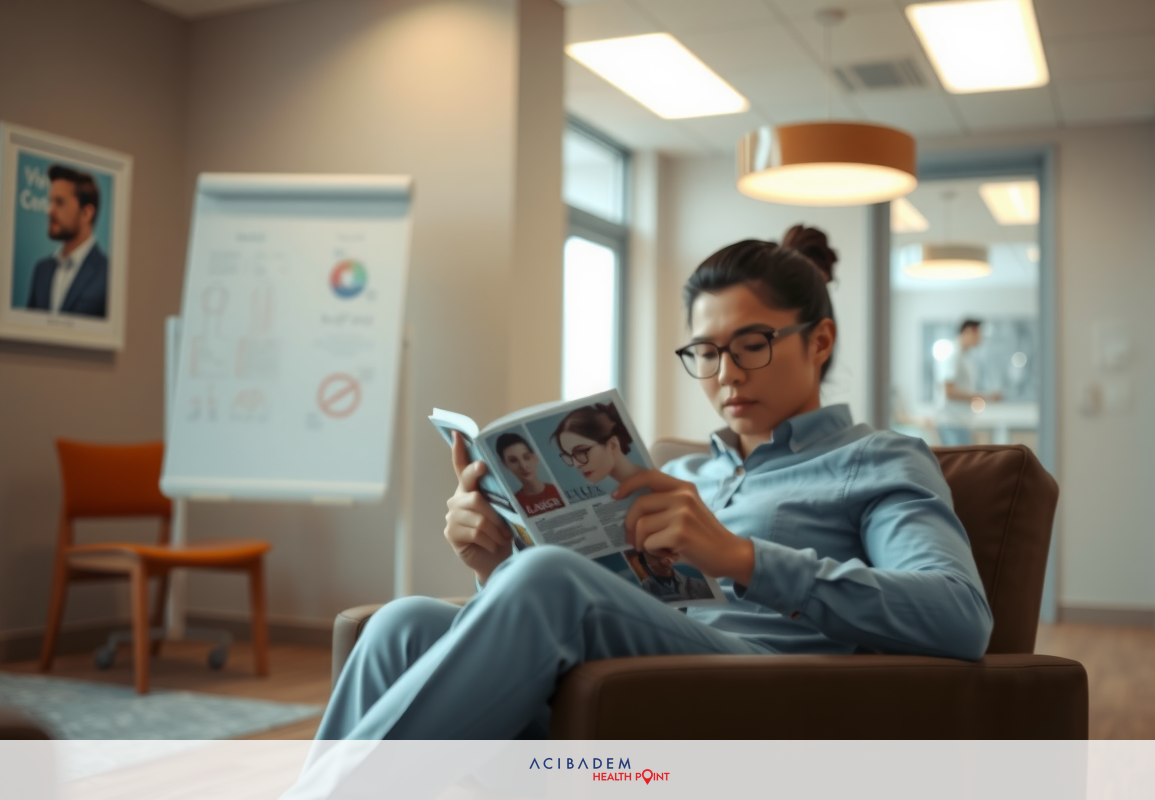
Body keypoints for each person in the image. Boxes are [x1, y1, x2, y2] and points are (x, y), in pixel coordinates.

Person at [314, 237, 992, 741]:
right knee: (401, 624)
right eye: (706, 351)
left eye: (752, 344)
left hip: (760, 688)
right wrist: (496, 565)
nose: (726, 374)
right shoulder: (685, 473)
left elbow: (960, 616)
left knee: (549, 577)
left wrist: (742, 559)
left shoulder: (876, 459)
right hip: (626, 676)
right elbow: (601, 608)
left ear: (819, 342)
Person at [25, 165, 109, 318]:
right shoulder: (41, 270)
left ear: (86, 213)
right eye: (50, 202)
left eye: (60, 202)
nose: (49, 210)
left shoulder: (108, 274)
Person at [936, 319, 1002, 446]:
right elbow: (949, 392)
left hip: (962, 422)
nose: (981, 338)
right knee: (959, 465)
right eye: (979, 334)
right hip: (952, 423)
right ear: (968, 331)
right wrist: (984, 397)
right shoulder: (952, 353)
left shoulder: (964, 356)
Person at [550, 403, 646, 486]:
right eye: (569, 455)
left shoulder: (649, 484)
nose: (576, 464)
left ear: (612, 444)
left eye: (581, 451)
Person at [494, 433, 564, 517]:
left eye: (526, 457)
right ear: (505, 464)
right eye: (513, 461)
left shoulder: (559, 490)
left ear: (535, 457)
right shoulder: (515, 504)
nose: (523, 466)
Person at [634, 549, 712, 602]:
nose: (663, 563)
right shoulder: (646, 586)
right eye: (654, 561)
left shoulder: (699, 584)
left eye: (663, 558)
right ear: (647, 567)